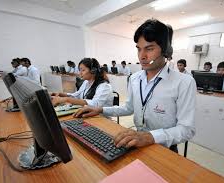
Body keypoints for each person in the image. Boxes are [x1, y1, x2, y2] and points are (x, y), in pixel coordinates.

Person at [73, 19, 196, 153]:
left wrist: (150, 137)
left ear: (165, 50)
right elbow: (128, 107)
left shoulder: (184, 82)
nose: (142, 56)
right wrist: (101, 110)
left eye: (149, 49)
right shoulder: (134, 79)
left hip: (165, 148)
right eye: (139, 49)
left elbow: (186, 129)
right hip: (137, 143)